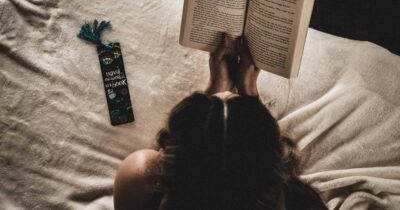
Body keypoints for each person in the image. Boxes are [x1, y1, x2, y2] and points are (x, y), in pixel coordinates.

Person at [113, 34, 327, 210]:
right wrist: (250, 100)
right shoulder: (298, 202)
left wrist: (209, 101)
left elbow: (165, 162)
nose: (225, 93)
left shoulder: (137, 179)